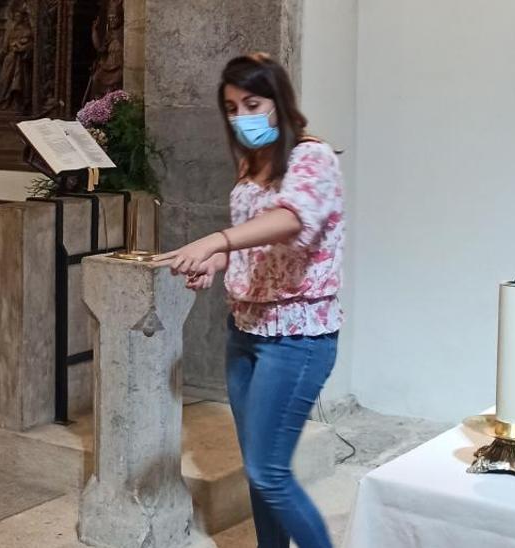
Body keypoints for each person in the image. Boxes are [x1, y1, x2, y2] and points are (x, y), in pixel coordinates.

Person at [155, 53, 344, 548]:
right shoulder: (252, 163)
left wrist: (216, 241)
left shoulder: (312, 157)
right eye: (233, 107)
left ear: (278, 102)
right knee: (258, 469)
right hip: (244, 331)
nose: (243, 117)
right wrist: (219, 263)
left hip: (297, 336)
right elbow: (254, 239)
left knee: (269, 473)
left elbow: (291, 219)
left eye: (252, 103)